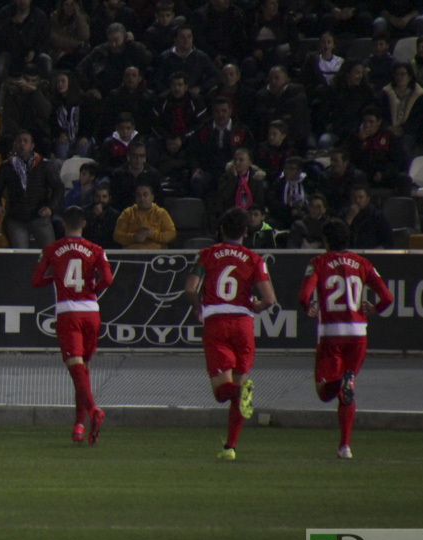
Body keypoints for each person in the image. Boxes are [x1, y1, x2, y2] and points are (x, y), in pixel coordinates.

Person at [184, 207, 277, 461]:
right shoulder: (254, 259)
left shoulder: (207, 254)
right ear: (245, 232)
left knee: (222, 392)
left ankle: (239, 393)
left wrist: (196, 305)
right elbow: (269, 299)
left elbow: (190, 287)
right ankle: (230, 448)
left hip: (217, 323)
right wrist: (255, 306)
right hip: (243, 325)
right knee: (237, 383)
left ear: (222, 230)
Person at [297, 219, 394, 459]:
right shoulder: (363, 263)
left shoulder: (318, 263)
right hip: (358, 334)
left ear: (326, 241)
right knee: (346, 392)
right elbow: (387, 298)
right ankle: (344, 447)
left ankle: (342, 381)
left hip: (331, 334)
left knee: (324, 392)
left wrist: (308, 306)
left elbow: (303, 295)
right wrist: (375, 309)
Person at [31, 205, 113, 444]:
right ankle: (78, 426)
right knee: (83, 370)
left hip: (68, 313)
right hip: (91, 312)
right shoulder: (96, 249)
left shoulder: (52, 249)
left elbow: (35, 281)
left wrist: (55, 279)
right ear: (84, 224)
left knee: (75, 368)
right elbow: (108, 279)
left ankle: (93, 411)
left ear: (63, 224)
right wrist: (92, 289)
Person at [0, 130, 63, 249]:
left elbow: (59, 188)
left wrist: (51, 207)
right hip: (16, 219)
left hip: (40, 217)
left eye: (25, 141)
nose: (22, 144)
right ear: (15, 145)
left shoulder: (44, 165)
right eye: (19, 141)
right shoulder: (6, 166)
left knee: (51, 253)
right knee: (20, 256)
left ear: (32, 146)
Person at [113, 184, 176, 249]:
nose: (141, 198)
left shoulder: (161, 213)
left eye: (145, 195)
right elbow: (117, 236)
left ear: (152, 197)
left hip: (156, 255)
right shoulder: (127, 213)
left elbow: (171, 234)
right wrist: (134, 237)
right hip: (132, 255)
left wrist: (152, 234)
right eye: (138, 195)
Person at [341, 185, 392, 250]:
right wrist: (348, 219)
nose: (357, 201)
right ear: (351, 199)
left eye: (361, 197)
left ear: (367, 199)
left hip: (371, 254)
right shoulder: (344, 214)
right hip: (348, 254)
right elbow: (338, 238)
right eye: (354, 197)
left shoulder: (377, 216)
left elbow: (388, 241)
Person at [83, 183, 120, 249]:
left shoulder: (115, 215)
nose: (101, 200)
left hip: (109, 251)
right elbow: (83, 232)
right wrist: (93, 215)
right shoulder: (85, 212)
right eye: (97, 196)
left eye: (104, 197)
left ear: (109, 198)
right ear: (93, 197)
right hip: (88, 249)